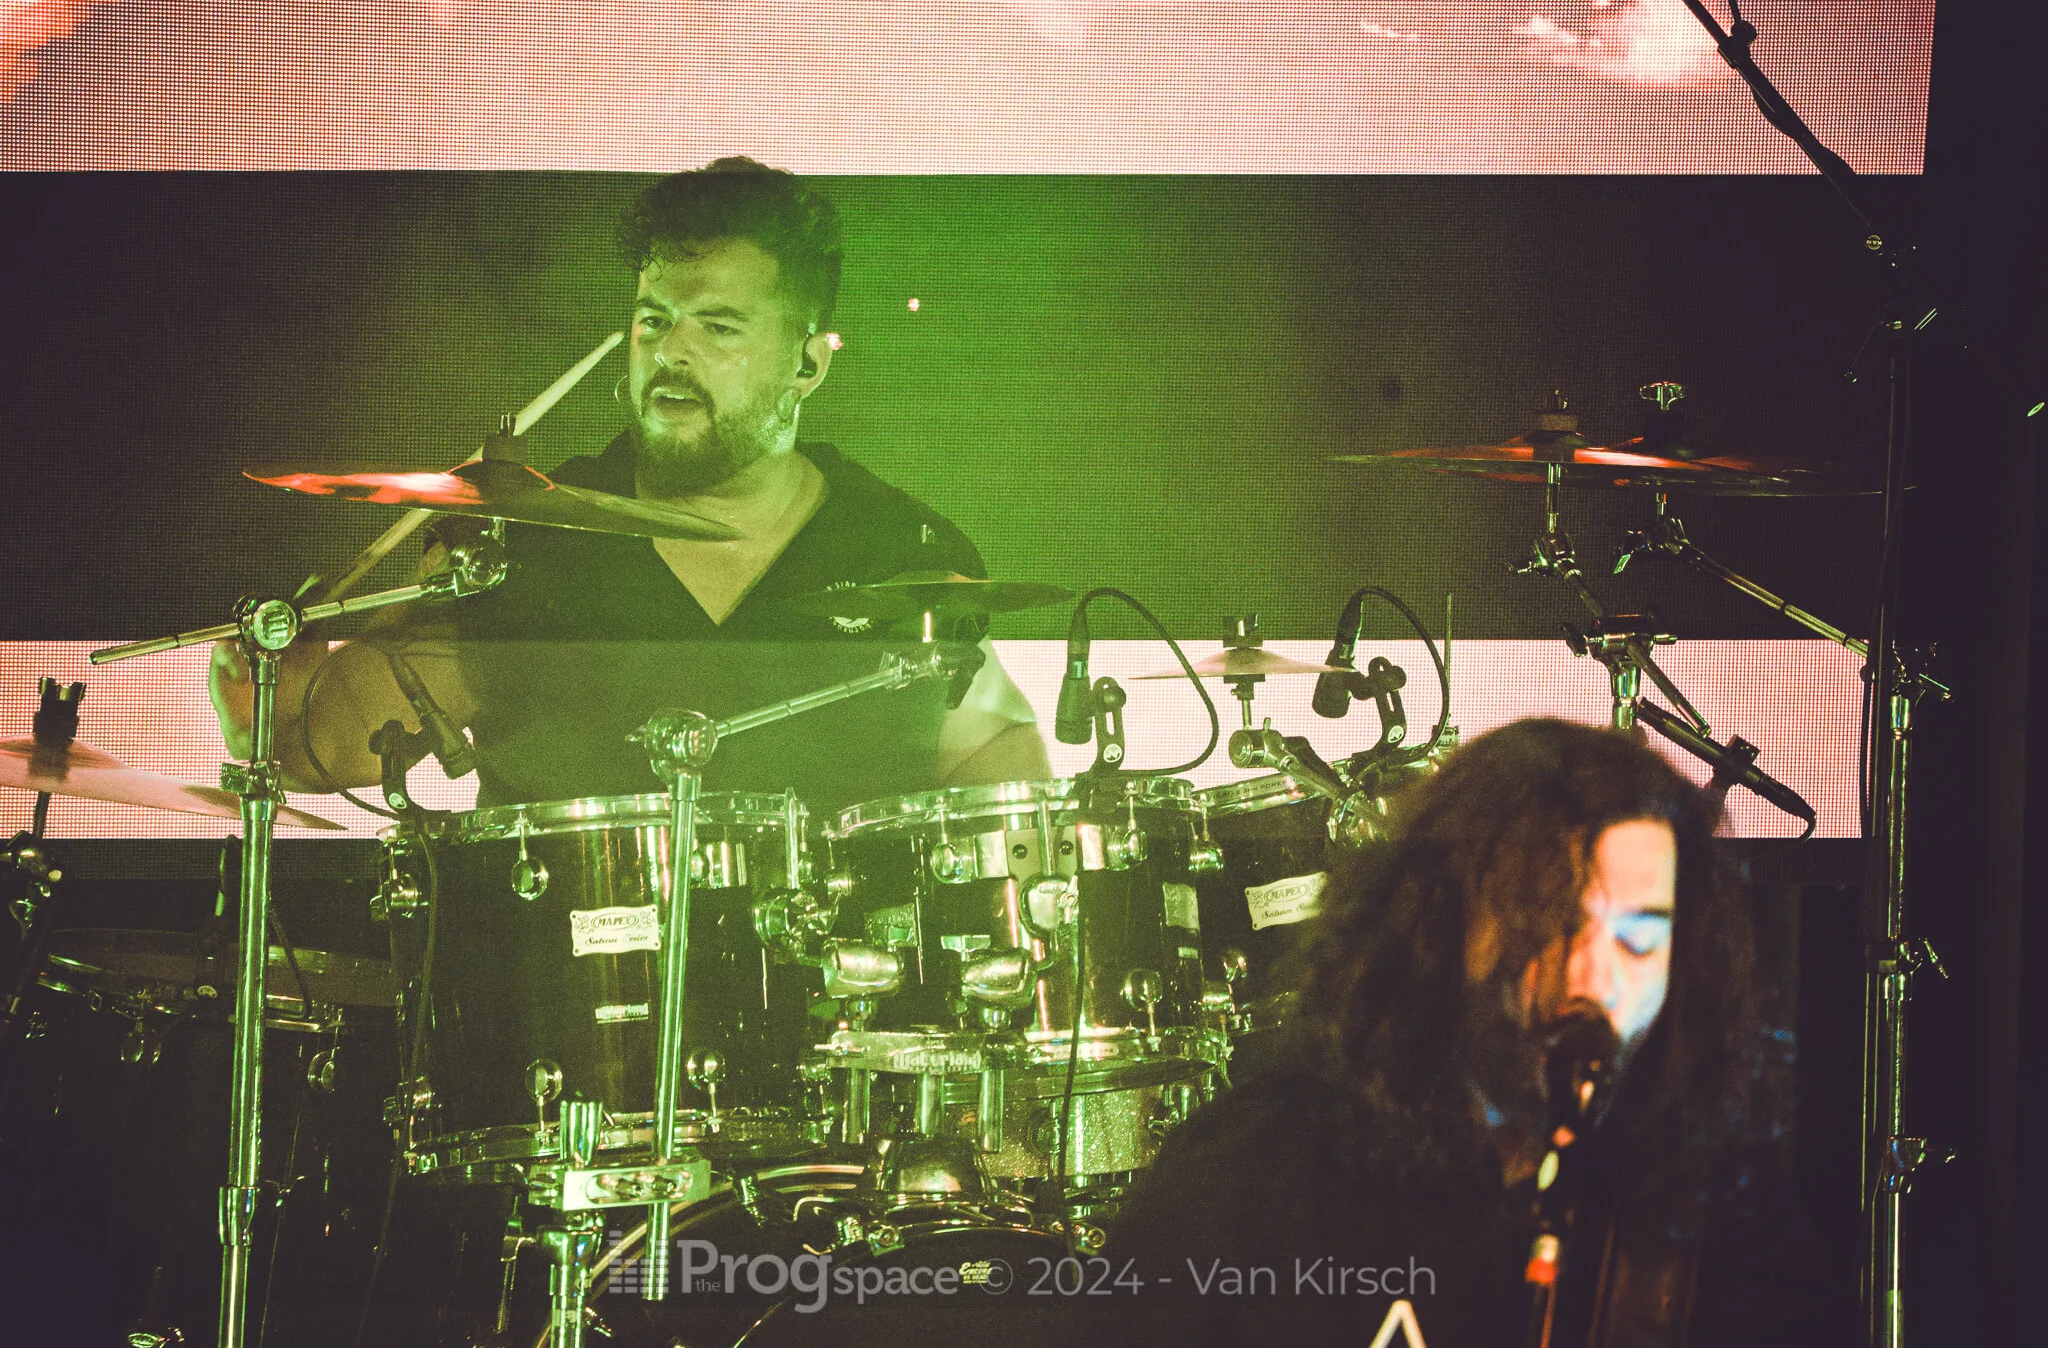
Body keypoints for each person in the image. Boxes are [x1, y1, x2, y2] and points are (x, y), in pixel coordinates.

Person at [210, 157, 1050, 813]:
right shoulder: (521, 542)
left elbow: (988, 740)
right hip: (566, 981)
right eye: (654, 320)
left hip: (835, 987)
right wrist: (265, 713)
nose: (672, 351)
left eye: (719, 327)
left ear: (807, 364)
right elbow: (326, 746)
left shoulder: (899, 547)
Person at [1069, 718, 1851, 1347]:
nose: (1590, 977)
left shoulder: (1720, 1220)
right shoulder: (1252, 1178)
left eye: (1639, 937)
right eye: (1547, 917)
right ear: (1433, 925)